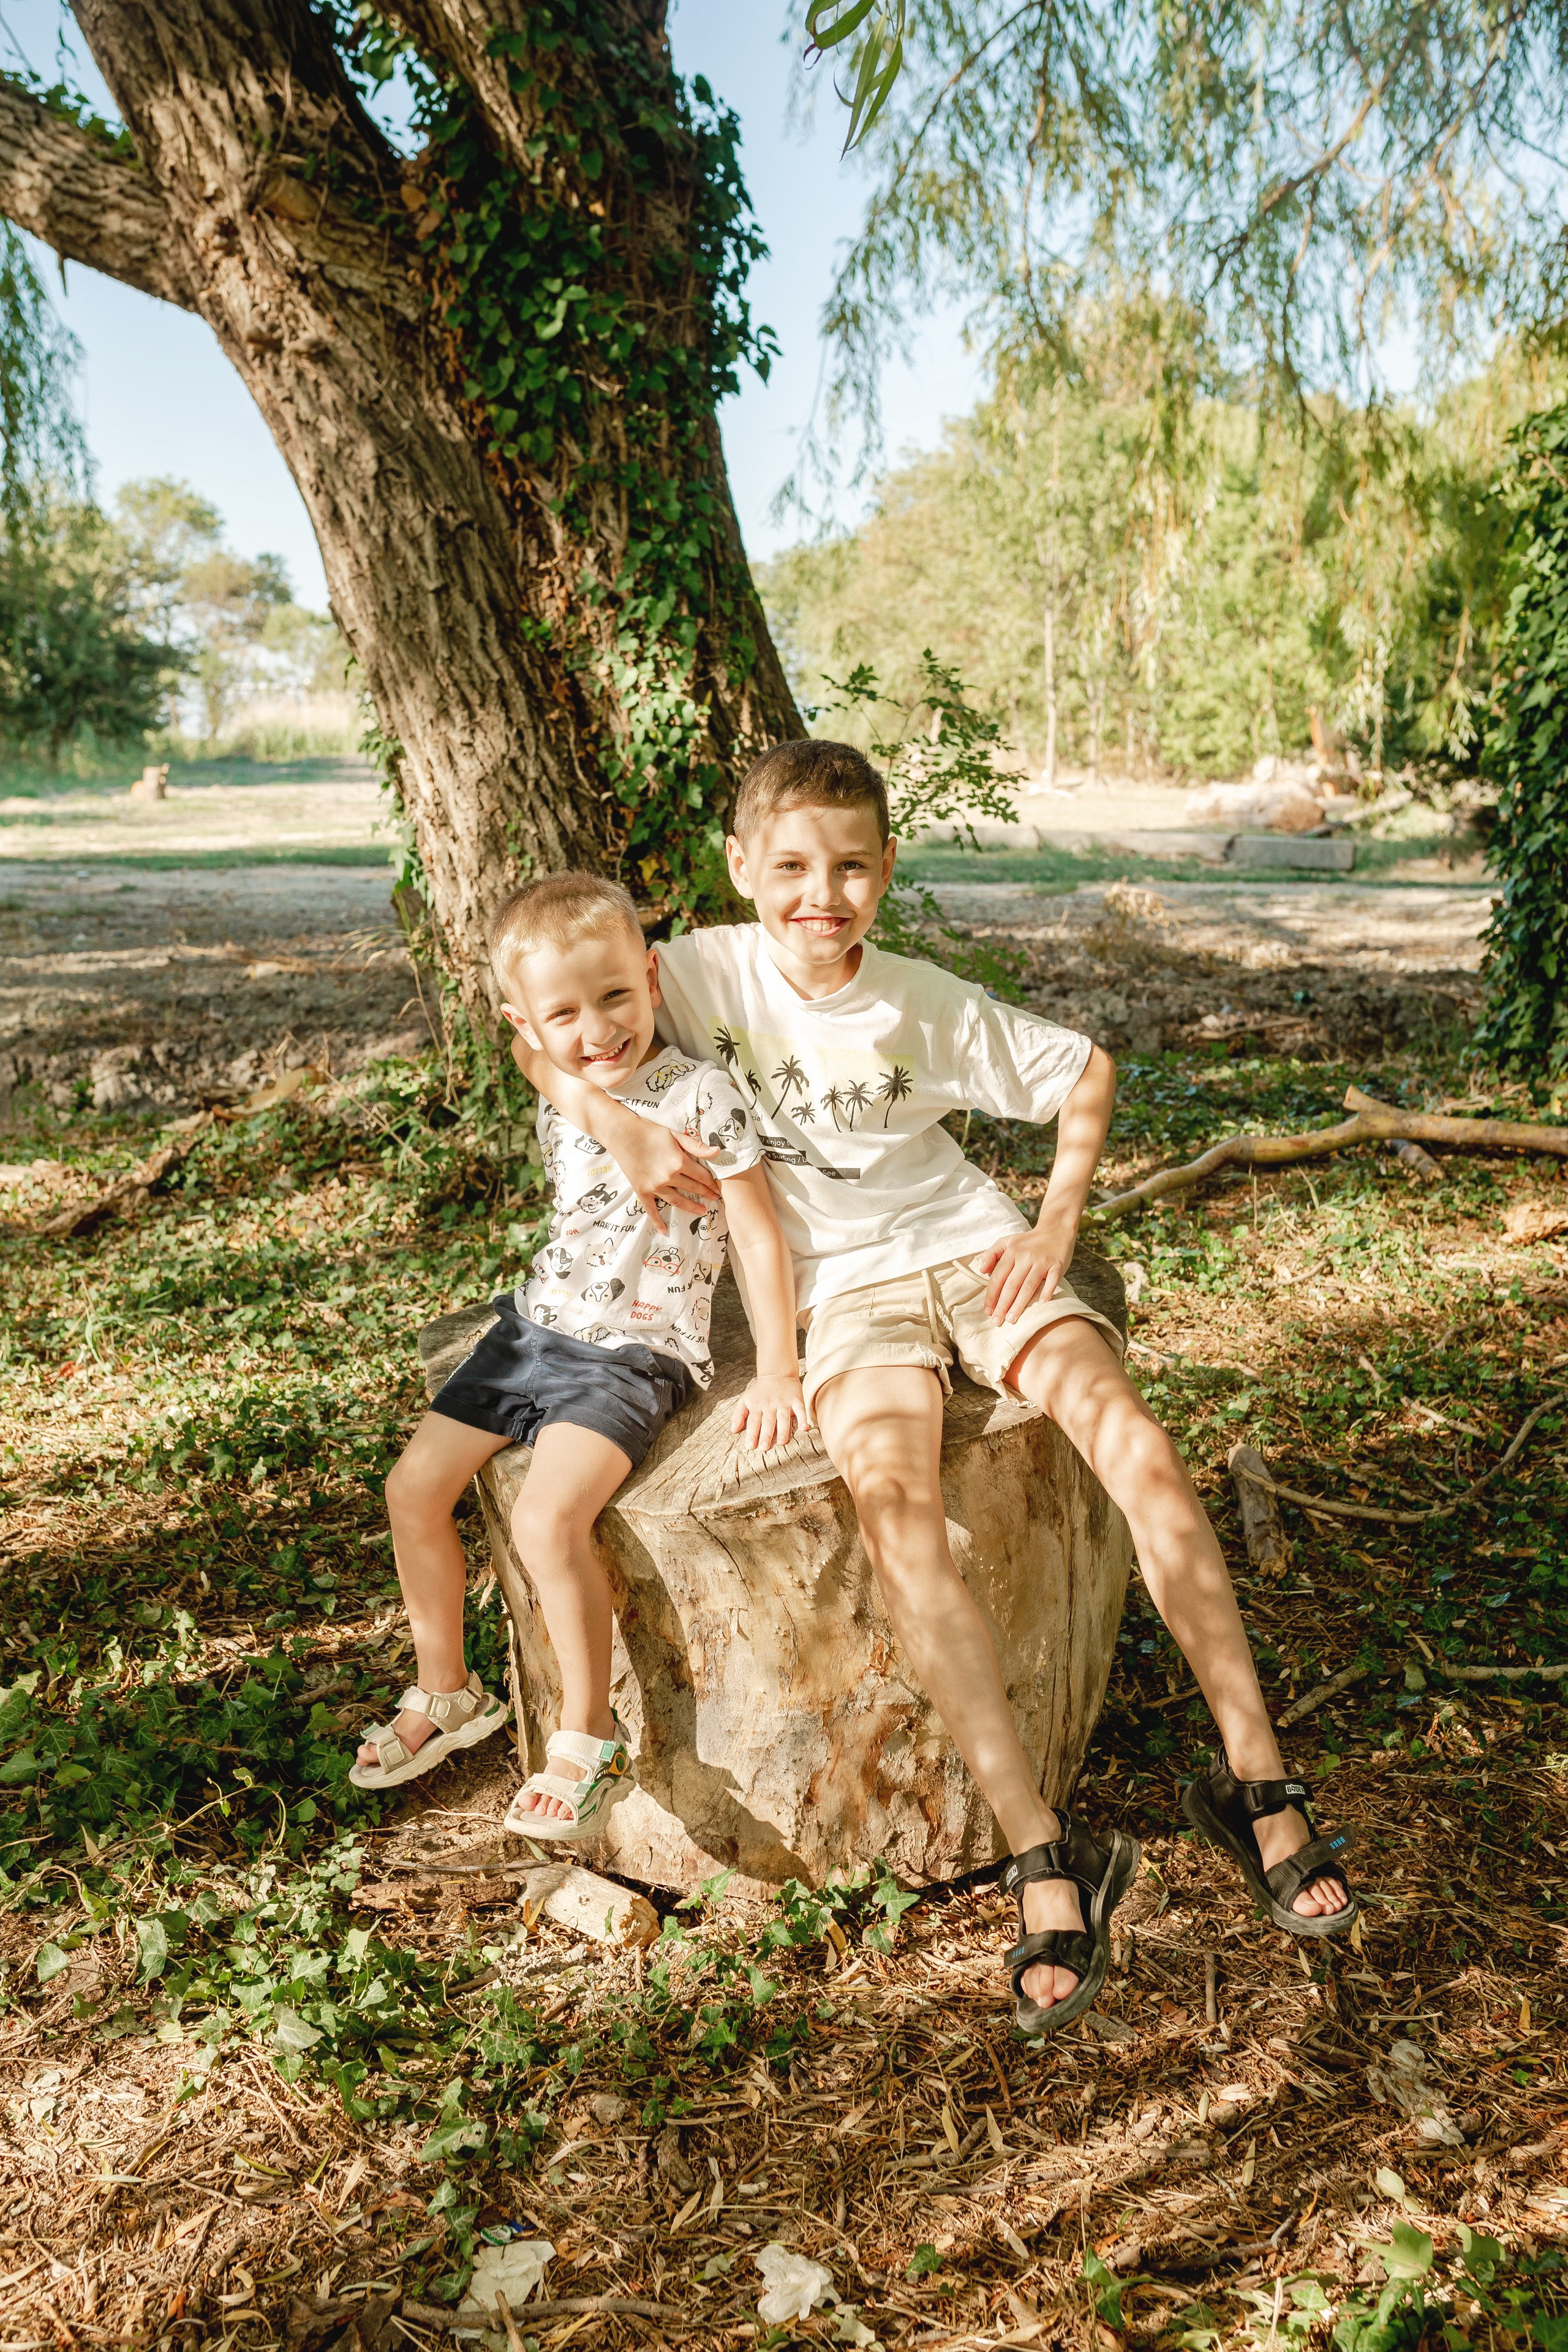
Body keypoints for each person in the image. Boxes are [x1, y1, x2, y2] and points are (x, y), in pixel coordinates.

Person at [510, 744, 1358, 2025]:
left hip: (970, 1252)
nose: (822, 895)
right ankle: (1039, 1848)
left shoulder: (920, 1001)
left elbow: (1084, 1071)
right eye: (791, 867)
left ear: (887, 867)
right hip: (844, 1298)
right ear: (739, 867)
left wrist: (1056, 1225)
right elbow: (541, 1028)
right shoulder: (690, 973)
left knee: (1135, 1450)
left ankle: (1257, 1784)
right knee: (900, 1522)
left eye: (851, 866)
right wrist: (616, 1120)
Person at [350, 872, 806, 1842]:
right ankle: (449, 1691)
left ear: (652, 977)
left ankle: (587, 1733)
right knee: (411, 1490)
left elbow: (761, 1233)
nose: (598, 1030)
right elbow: (534, 1056)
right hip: (531, 1330)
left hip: (633, 1355)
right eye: (565, 1013)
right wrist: (605, 1110)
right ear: (527, 1020)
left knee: (549, 1521)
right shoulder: (565, 1080)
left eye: (615, 996)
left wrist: (778, 1369)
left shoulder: (701, 1094)